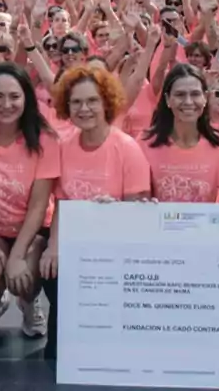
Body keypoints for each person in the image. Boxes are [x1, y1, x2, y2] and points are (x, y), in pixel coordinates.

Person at [40, 65, 151, 359]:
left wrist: (113, 215)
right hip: (75, 247)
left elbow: (137, 212)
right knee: (51, 270)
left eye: (92, 101)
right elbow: (61, 203)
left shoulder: (127, 148)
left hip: (116, 251)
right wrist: (53, 246)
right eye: (76, 102)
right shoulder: (63, 147)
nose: (84, 108)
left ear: (106, 103)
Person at [0, 62, 56, 340]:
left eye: (14, 96)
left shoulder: (44, 139)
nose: (6, 104)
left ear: (26, 98)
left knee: (23, 278)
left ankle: (29, 302)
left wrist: (17, 255)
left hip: (31, 229)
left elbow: (39, 205)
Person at [141, 63, 219, 205]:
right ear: (167, 99)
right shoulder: (145, 143)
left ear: (205, 98)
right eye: (180, 95)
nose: (188, 102)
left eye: (195, 94)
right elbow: (138, 201)